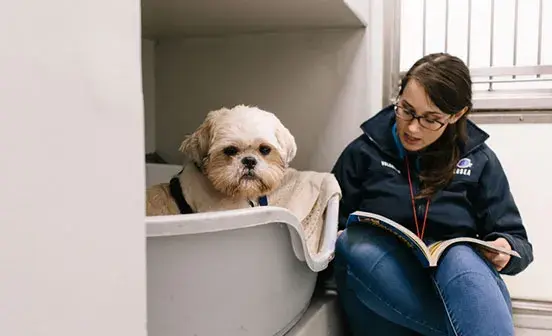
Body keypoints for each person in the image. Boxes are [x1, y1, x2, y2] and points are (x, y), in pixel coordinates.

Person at [329, 53, 534, 335]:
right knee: (354, 244)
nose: (412, 127)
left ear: (457, 115)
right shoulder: (363, 153)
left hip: (453, 284)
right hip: (378, 289)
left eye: (431, 119)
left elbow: (519, 245)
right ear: (398, 96)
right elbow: (326, 227)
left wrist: (505, 250)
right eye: (407, 110)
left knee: (461, 255)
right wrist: (335, 236)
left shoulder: (480, 160)